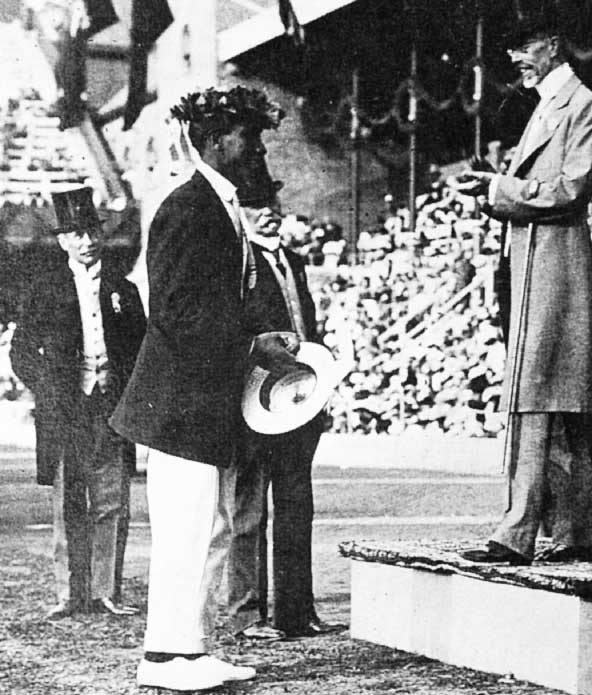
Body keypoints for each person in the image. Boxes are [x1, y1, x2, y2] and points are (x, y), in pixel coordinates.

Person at [109, 86, 298, 692]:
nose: (258, 149)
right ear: (217, 142)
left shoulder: (218, 206)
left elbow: (208, 304)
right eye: (249, 138)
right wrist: (253, 346)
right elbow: (175, 309)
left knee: (209, 528)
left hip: (200, 400)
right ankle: (162, 658)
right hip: (179, 401)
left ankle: (190, 649)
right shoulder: (189, 206)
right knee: (185, 531)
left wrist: (254, 337)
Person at [453, 9, 592, 565]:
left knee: (539, 398)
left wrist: (500, 186)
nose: (514, 60)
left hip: (555, 262)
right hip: (536, 261)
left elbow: (569, 188)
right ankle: (574, 532)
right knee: (551, 398)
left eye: (522, 49)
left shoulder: (582, 105)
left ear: (551, 45)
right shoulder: (548, 107)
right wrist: (495, 190)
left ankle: (518, 532)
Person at [217, 172, 346, 640]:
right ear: (239, 211)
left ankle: (296, 612)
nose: (267, 209)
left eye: (271, 199)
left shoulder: (292, 259)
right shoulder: (234, 261)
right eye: (254, 203)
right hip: (252, 401)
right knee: (248, 509)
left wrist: (320, 387)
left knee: (296, 506)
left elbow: (308, 331)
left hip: (298, 401)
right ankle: (246, 615)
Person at [10, 187, 145, 620]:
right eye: (75, 234)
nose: (85, 241)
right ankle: (70, 594)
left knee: (111, 500)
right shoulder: (45, 289)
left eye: (90, 232)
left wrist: (127, 395)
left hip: (111, 408)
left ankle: (106, 591)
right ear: (63, 240)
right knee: (69, 502)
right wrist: (47, 388)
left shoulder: (122, 289)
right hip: (65, 410)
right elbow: (21, 351)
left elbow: (141, 348)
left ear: (99, 235)